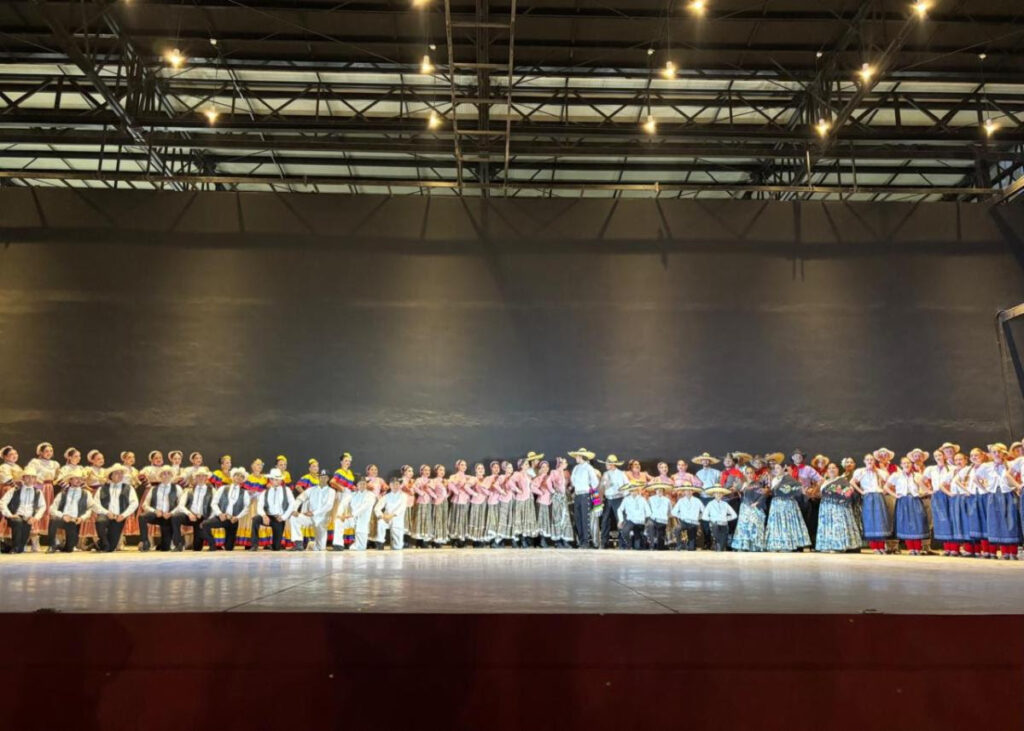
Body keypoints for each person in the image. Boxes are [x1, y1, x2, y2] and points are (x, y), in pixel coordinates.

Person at [978, 443, 1021, 559]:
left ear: (1003, 453)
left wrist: (1017, 486)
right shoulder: (986, 466)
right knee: (998, 521)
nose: (997, 454)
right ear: (991, 454)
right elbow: (976, 478)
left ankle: (1013, 552)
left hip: (1009, 494)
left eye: (999, 452)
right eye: (994, 452)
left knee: (1011, 522)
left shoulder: (1010, 464)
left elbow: (1016, 475)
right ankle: (1004, 552)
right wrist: (985, 489)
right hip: (994, 495)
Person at [92, 463, 139, 553]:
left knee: (111, 547)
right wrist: (106, 513)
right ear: (111, 475)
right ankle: (104, 544)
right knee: (100, 521)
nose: (120, 475)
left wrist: (123, 515)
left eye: (121, 473)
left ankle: (100, 544)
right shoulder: (102, 488)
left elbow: (134, 503)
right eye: (117, 473)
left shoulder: (128, 488)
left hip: (119, 517)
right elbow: (95, 504)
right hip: (105, 515)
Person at [764, 462, 811, 552]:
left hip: (787, 504)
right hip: (776, 504)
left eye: (778, 468)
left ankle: (788, 544)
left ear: (783, 469)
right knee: (777, 524)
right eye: (774, 468)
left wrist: (803, 492)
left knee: (787, 523)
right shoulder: (774, 480)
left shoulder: (789, 479)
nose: (776, 470)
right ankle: (777, 544)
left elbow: (797, 489)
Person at [201, 467, 251, 551]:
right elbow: (214, 503)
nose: (238, 477)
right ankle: (212, 545)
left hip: (233, 520)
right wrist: (220, 514)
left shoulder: (244, 493)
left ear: (243, 480)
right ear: (232, 477)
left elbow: (247, 508)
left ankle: (228, 545)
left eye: (241, 476)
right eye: (237, 475)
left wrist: (237, 517)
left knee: (229, 548)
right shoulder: (223, 488)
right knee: (205, 525)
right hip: (221, 517)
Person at [815, 463, 861, 553]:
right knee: (827, 525)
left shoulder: (842, 480)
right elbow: (821, 494)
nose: (831, 470)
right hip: (825, 507)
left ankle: (839, 546)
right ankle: (827, 545)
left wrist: (840, 495)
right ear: (827, 471)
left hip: (838, 507)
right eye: (829, 468)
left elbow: (849, 492)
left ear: (838, 470)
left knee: (837, 525)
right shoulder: (825, 482)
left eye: (834, 468)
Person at [887, 456, 928, 555]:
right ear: (901, 465)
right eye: (904, 463)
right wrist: (895, 495)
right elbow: (886, 487)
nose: (906, 465)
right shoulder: (896, 475)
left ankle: (917, 548)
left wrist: (920, 493)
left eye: (908, 463)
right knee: (905, 524)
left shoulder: (917, 475)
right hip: (903, 501)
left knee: (917, 523)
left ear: (911, 464)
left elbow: (926, 489)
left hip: (915, 500)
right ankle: (911, 548)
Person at [851, 453, 891, 554]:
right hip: (868, 496)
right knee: (870, 520)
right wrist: (861, 492)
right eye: (867, 459)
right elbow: (852, 482)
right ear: (864, 461)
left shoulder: (880, 472)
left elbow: (889, 480)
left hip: (878, 496)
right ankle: (874, 547)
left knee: (880, 520)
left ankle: (881, 546)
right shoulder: (860, 471)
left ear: (874, 461)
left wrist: (884, 490)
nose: (869, 461)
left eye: (871, 459)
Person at [1, 466, 46, 553]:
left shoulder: (38, 492)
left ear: (35, 479)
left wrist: (35, 518)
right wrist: (10, 515)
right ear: (23, 478)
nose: (30, 479)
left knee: (21, 548)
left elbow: (43, 506)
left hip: (28, 519)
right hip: (16, 517)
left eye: (33, 477)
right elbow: (2, 502)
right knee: (18, 522)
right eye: (28, 477)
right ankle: (14, 548)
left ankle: (12, 547)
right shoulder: (15, 490)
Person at [46, 466, 92, 553]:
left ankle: (63, 546)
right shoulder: (63, 493)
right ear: (70, 480)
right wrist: (63, 516)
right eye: (76, 478)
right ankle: (52, 545)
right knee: (54, 520)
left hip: (74, 521)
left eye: (80, 479)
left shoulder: (86, 494)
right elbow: (52, 508)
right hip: (63, 519)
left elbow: (90, 508)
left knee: (69, 549)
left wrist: (82, 518)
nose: (79, 480)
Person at [289, 467, 336, 551]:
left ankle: (311, 544)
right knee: (294, 518)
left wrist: (314, 513)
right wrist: (295, 509)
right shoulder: (311, 490)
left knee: (321, 548)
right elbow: (299, 498)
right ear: (318, 477)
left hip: (322, 519)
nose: (323, 479)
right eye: (321, 476)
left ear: (328, 478)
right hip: (309, 517)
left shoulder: (331, 491)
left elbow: (329, 505)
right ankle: (298, 544)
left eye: (325, 477)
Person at [171, 466, 216, 551]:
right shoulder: (188, 490)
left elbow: (214, 506)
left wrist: (207, 520)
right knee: (176, 517)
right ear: (195, 478)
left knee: (197, 548)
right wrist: (189, 514)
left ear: (206, 478)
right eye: (198, 476)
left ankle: (211, 543)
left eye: (203, 476)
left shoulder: (212, 491)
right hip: (190, 516)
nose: (201, 478)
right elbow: (181, 505)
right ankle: (178, 544)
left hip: (202, 518)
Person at [25, 442, 59, 552]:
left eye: (51, 451)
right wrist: (37, 484)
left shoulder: (55, 464)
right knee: (37, 511)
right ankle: (35, 542)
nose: (49, 453)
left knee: (49, 512)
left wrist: (55, 482)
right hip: (39, 488)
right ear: (40, 452)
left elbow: (59, 476)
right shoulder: (35, 462)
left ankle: (53, 540)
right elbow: (29, 474)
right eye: (46, 451)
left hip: (50, 489)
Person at [138, 466, 182, 552]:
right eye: (164, 474)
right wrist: (155, 511)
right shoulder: (153, 489)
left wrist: (171, 513)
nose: (166, 475)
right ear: (160, 476)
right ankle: (145, 542)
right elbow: (145, 505)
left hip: (168, 517)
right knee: (142, 517)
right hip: (156, 515)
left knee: (165, 548)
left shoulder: (177, 488)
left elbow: (181, 505)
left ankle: (162, 544)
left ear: (171, 476)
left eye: (168, 473)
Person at [923, 448, 958, 555]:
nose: (938, 457)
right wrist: (929, 491)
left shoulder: (952, 468)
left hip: (949, 495)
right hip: (937, 496)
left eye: (940, 455)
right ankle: (947, 548)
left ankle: (954, 548)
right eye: (936, 456)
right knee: (942, 521)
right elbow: (921, 481)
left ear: (944, 456)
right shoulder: (931, 469)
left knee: (952, 520)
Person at [253, 468, 296, 551]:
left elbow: (292, 504)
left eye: (277, 479)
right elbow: (260, 505)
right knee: (256, 519)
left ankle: (273, 545)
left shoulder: (286, 490)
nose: (276, 481)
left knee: (276, 547)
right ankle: (254, 545)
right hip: (268, 517)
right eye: (274, 479)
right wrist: (264, 515)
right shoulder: (265, 492)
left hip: (279, 518)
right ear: (270, 480)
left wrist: (283, 517)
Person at [731, 465, 768, 552]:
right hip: (744, 507)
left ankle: (754, 546)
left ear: (754, 473)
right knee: (744, 527)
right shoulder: (743, 484)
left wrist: (757, 503)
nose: (749, 475)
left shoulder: (758, 484)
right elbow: (739, 494)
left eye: (751, 473)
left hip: (754, 508)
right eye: (747, 473)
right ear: (745, 474)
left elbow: (763, 495)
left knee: (754, 526)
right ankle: (743, 545)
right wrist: (736, 490)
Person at [568, 448, 599, 549]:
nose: (576, 458)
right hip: (578, 495)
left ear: (581, 456)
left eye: (577, 456)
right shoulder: (576, 468)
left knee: (585, 518)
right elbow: (573, 481)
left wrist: (590, 489)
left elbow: (595, 482)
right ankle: (581, 540)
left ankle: (586, 541)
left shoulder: (589, 468)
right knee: (578, 519)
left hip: (585, 495)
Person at [598, 454, 629, 549]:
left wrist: (624, 497)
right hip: (608, 499)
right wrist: (598, 502)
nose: (606, 465)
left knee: (620, 519)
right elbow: (601, 488)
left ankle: (623, 543)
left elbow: (627, 486)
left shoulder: (621, 474)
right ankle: (604, 542)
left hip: (618, 498)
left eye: (608, 463)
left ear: (612, 464)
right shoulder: (605, 474)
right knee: (605, 520)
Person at [692, 452, 721, 549]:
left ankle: (716, 542)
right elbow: (696, 487)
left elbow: (719, 485)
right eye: (703, 460)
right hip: (702, 498)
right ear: (701, 461)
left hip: (713, 498)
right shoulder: (698, 473)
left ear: (710, 461)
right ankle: (707, 542)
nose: (705, 461)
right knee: (704, 521)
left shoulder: (717, 472)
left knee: (715, 520)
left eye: (707, 460)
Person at [329, 453, 357, 549]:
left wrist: (353, 488)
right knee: (339, 516)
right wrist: (342, 488)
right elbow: (332, 482)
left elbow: (350, 485)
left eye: (349, 461)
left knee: (347, 517)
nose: (347, 462)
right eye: (345, 461)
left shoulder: (350, 472)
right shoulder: (339, 471)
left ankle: (346, 541)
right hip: (341, 496)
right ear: (341, 462)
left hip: (349, 496)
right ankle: (337, 542)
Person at [509, 458, 538, 548]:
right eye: (525, 464)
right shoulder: (518, 474)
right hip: (521, 499)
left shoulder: (529, 474)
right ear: (521, 466)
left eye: (527, 464)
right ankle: (517, 540)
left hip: (529, 499)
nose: (527, 465)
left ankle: (524, 539)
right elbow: (510, 482)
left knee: (527, 518)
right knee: (520, 518)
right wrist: (518, 490)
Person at [374, 479, 408, 550]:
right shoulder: (386, 496)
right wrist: (382, 516)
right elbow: (377, 508)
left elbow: (402, 508)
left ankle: (397, 544)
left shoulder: (404, 496)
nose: (395, 486)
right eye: (393, 484)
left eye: (397, 484)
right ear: (390, 485)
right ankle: (380, 542)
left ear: (399, 485)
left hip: (397, 518)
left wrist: (391, 515)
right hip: (386, 518)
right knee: (380, 522)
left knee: (397, 547)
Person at [547, 456, 573, 548]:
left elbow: (569, 483)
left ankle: (565, 539)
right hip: (557, 497)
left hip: (564, 497)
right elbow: (548, 482)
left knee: (565, 518)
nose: (566, 464)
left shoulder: (565, 473)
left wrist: (569, 489)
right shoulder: (554, 472)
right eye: (565, 462)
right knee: (557, 517)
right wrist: (553, 491)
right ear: (561, 464)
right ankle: (558, 541)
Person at [616, 483, 650, 550]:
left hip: (640, 522)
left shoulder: (642, 499)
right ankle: (629, 544)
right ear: (629, 491)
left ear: (637, 490)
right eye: (631, 491)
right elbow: (619, 509)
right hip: (631, 521)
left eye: (634, 490)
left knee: (637, 546)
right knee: (625, 531)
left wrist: (646, 520)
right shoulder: (626, 499)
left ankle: (637, 543)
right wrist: (621, 520)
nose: (633, 492)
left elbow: (648, 512)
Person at [702, 487, 737, 551]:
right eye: (716, 493)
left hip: (724, 525)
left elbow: (734, 515)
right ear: (713, 494)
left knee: (721, 546)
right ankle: (716, 544)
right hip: (715, 525)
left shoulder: (725, 504)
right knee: (718, 543)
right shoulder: (710, 504)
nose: (718, 495)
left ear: (722, 494)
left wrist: (726, 518)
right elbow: (704, 516)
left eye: (720, 493)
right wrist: (712, 519)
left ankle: (717, 546)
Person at [670, 484, 703, 550]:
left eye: (690, 490)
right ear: (684, 492)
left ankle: (688, 545)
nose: (688, 492)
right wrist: (681, 516)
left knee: (691, 548)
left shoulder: (697, 501)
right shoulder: (681, 501)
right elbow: (673, 512)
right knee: (677, 529)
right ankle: (679, 544)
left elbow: (704, 511)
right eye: (686, 490)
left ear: (692, 491)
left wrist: (698, 517)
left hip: (693, 523)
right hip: (684, 522)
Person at [347, 479, 377, 551]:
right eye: (360, 484)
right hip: (353, 518)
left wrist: (353, 514)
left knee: (361, 530)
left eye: (364, 484)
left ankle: (360, 545)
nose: (362, 485)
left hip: (363, 518)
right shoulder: (353, 494)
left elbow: (365, 507)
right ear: (357, 485)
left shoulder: (371, 495)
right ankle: (339, 545)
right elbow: (346, 503)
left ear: (366, 485)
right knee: (339, 522)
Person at [447, 459, 472, 547]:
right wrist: (457, 491)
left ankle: (462, 538)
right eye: (462, 465)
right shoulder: (453, 476)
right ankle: (455, 538)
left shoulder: (468, 477)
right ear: (457, 466)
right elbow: (450, 485)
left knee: (463, 518)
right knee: (456, 518)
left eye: (465, 465)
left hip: (465, 499)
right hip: (457, 499)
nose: (464, 466)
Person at [531, 461, 554, 547]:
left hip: (548, 502)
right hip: (541, 502)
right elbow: (532, 487)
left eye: (546, 467)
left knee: (546, 521)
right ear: (540, 469)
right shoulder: (539, 478)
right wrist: (541, 493)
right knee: (541, 521)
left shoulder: (550, 477)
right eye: (543, 467)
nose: (545, 468)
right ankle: (541, 540)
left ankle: (543, 540)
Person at [466, 463, 489, 547]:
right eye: (479, 468)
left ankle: (482, 538)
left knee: (483, 519)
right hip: (476, 502)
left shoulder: (486, 479)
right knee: (476, 519)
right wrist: (475, 494)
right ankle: (476, 540)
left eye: (482, 468)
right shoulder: (474, 479)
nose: (481, 470)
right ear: (476, 470)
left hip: (485, 502)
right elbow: (466, 487)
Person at [492, 461, 515, 547]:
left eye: (511, 467)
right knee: (503, 519)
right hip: (504, 500)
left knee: (511, 519)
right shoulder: (502, 477)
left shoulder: (513, 477)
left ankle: (508, 539)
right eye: (509, 467)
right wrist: (502, 491)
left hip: (512, 500)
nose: (511, 469)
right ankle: (497, 540)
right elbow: (495, 485)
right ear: (505, 469)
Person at [644, 483, 672, 550]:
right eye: (658, 490)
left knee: (660, 540)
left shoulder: (667, 500)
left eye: (661, 490)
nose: (659, 491)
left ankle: (660, 546)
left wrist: (666, 517)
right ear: (655, 491)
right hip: (653, 519)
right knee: (650, 525)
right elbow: (647, 510)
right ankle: (651, 545)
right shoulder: (650, 499)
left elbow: (669, 511)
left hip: (662, 520)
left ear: (663, 491)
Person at [411, 464, 434, 547]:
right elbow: (414, 487)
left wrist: (432, 494)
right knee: (420, 520)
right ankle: (419, 540)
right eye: (425, 470)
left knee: (427, 520)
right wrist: (422, 493)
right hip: (421, 502)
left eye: (429, 470)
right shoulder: (419, 480)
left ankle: (425, 540)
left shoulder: (431, 480)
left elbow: (433, 490)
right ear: (421, 471)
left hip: (428, 502)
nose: (427, 472)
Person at [429, 464, 449, 548]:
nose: (442, 472)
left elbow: (449, 490)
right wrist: (435, 496)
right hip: (438, 502)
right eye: (440, 470)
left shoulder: (445, 480)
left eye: (443, 470)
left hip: (445, 502)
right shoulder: (434, 480)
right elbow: (429, 489)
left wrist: (447, 496)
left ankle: (441, 538)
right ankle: (435, 539)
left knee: (443, 519)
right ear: (436, 471)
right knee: (437, 519)